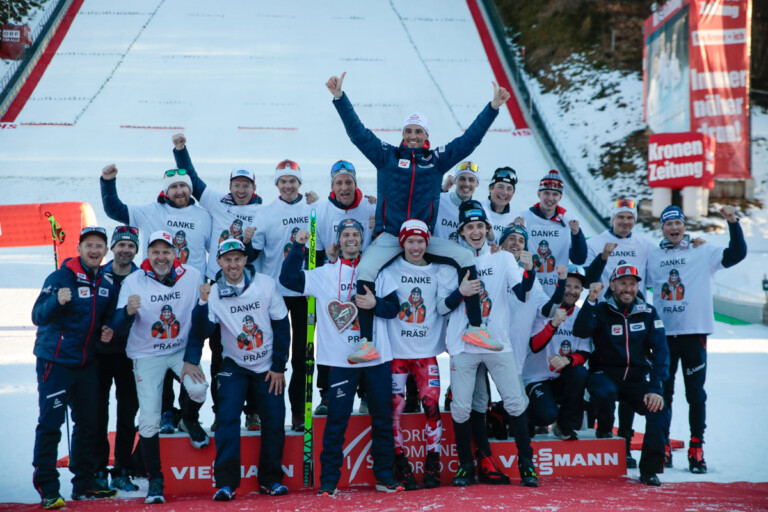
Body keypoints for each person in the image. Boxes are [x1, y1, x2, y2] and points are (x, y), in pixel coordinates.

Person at [325, 71, 511, 359]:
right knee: (365, 270)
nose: (412, 136)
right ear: (403, 135)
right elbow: (358, 134)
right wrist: (340, 98)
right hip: (390, 234)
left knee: (465, 258)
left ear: (426, 136)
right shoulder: (386, 156)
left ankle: (476, 326)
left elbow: (468, 141)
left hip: (422, 237)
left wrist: (493, 108)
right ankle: (366, 342)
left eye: (418, 132)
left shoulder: (436, 160)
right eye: (408, 131)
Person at [279, 219, 404, 496]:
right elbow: (288, 279)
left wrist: (376, 304)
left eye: (356, 234)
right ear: (338, 241)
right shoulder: (324, 274)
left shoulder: (377, 272)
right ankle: (329, 481)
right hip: (340, 361)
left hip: (377, 358)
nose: (351, 239)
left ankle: (384, 476)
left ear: (363, 240)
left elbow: (395, 308)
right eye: (346, 234)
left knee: (382, 418)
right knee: (337, 420)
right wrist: (298, 246)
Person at [171, 133, 265, 431]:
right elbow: (194, 179)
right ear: (230, 187)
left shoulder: (263, 210)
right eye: (236, 185)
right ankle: (221, 412)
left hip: (247, 284)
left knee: (248, 347)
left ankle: (252, 411)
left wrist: (309, 201)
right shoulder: (214, 201)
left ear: (254, 187)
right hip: (216, 282)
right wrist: (181, 150)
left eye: (246, 185)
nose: (241, 190)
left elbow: (294, 214)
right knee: (218, 351)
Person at [444, 201, 539, 488]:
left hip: (497, 343)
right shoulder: (451, 262)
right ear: (461, 231)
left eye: (480, 226)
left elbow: (521, 293)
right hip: (463, 345)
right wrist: (459, 293)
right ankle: (466, 466)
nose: (476, 231)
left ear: (488, 229)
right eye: (470, 227)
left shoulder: (501, 259)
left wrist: (529, 271)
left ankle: (527, 466)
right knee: (461, 407)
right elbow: (439, 308)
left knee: (515, 402)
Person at [187, 239, 291, 501]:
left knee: (274, 421)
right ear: (219, 263)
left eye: (237, 259)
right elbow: (202, 332)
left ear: (245, 260)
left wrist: (279, 366)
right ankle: (226, 484)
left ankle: (270, 480)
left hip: (268, 365)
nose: (233, 264)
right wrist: (201, 303)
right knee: (227, 419)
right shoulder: (212, 292)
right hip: (235, 364)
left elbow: (281, 327)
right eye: (227, 260)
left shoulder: (265, 284)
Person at [647, 205, 747, 473]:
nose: (674, 229)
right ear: (662, 228)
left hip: (694, 334)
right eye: (668, 225)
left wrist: (733, 222)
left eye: (678, 223)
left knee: (696, 395)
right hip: (664, 336)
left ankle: (696, 447)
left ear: (684, 226)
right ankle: (662, 445)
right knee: (662, 394)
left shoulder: (702, 250)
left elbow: (737, 254)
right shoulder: (654, 255)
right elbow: (632, 283)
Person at [112, 231, 209, 504]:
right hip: (146, 354)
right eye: (155, 252)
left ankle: (188, 417)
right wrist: (127, 312)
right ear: (148, 255)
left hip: (179, 351)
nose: (161, 257)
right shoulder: (133, 281)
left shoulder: (191, 275)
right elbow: (118, 328)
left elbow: (201, 323)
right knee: (150, 418)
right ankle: (156, 480)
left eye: (166, 251)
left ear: (175, 253)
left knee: (199, 388)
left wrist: (192, 356)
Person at [32, 226, 120, 509]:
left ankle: (84, 484)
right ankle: (47, 485)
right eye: (89, 245)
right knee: (51, 425)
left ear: (105, 251)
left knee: (89, 424)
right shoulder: (60, 277)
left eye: (99, 246)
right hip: (56, 363)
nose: (94, 251)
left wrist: (109, 329)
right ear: (79, 249)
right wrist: (56, 301)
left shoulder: (107, 281)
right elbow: (37, 315)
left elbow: (107, 317)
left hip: (87, 363)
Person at [573, 265, 670, 486]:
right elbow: (580, 330)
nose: (628, 288)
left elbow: (661, 351)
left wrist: (655, 388)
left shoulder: (648, 312)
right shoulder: (600, 309)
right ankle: (605, 427)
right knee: (603, 391)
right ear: (613, 285)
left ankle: (649, 470)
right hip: (605, 373)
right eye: (623, 283)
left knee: (660, 410)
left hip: (636, 379)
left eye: (632, 284)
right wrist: (590, 301)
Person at [379, 220, 456, 490]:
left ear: (427, 242)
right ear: (402, 243)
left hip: (426, 353)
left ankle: (432, 462)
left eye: (420, 241)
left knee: (431, 405)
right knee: (395, 409)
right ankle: (401, 463)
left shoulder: (441, 271)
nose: (415, 247)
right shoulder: (389, 269)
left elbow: (446, 307)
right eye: (410, 241)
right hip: (397, 353)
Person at [250, 159, 315, 431]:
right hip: (274, 291)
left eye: (293, 181)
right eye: (283, 181)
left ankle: (299, 413)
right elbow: (252, 255)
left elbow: (320, 249)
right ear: (276, 184)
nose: (288, 186)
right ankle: (266, 412)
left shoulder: (313, 208)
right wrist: (245, 240)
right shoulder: (265, 212)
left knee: (303, 354)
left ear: (300, 183)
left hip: (303, 290)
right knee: (271, 354)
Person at [312, 160, 376, 415]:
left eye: (348, 182)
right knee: (329, 338)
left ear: (355, 183)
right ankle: (327, 393)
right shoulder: (320, 209)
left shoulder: (370, 205)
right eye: (339, 183)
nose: (344, 187)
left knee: (365, 336)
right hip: (333, 280)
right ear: (332, 186)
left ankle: (366, 393)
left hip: (365, 278)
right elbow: (314, 252)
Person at [100, 164, 211, 282]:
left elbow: (215, 252)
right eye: (173, 187)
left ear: (190, 189)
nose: (179, 191)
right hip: (155, 286)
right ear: (166, 192)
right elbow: (114, 210)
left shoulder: (204, 216)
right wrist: (108, 182)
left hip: (194, 288)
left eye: (183, 186)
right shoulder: (152, 212)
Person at [94, 226, 141, 492]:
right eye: (121, 245)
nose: (125, 250)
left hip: (129, 355)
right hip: (99, 356)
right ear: (112, 248)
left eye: (131, 246)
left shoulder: (140, 277)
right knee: (98, 414)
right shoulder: (98, 274)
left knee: (127, 414)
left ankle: (123, 469)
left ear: (136, 251)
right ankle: (99, 467)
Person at [523, 265, 591, 440]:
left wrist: (567, 359)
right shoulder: (544, 310)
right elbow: (534, 345)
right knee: (545, 415)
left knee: (580, 373)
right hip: (536, 377)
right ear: (559, 286)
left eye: (576, 287)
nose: (572, 291)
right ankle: (524, 415)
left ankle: (564, 425)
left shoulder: (580, 315)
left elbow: (584, 351)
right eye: (568, 286)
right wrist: (552, 324)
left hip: (560, 378)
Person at [519, 170, 587, 295]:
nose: (550, 198)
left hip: (555, 289)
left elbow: (579, 258)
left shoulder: (568, 219)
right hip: (529, 286)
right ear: (539, 194)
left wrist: (577, 234)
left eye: (555, 194)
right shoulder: (524, 218)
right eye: (546, 193)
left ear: (560, 197)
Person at [434, 161, 481, 241]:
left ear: (477, 183)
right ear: (455, 181)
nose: (466, 183)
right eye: (462, 179)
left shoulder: (479, 210)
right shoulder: (439, 200)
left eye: (471, 180)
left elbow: (489, 239)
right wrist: (442, 188)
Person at [483, 167, 519, 241]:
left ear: (513, 193)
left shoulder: (516, 218)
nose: (504, 192)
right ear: (490, 188)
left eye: (509, 189)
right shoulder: (478, 209)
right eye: (500, 187)